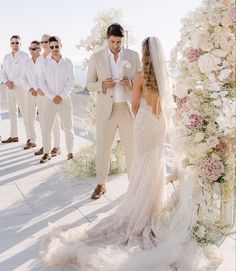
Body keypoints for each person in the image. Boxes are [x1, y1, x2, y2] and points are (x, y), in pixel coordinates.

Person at [40, 37, 219, 271]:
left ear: (145, 54)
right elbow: (168, 104)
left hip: (144, 122)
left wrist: (141, 112)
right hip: (160, 123)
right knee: (156, 162)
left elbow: (134, 104)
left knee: (142, 161)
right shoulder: (166, 77)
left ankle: (139, 206)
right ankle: (154, 205)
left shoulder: (141, 75)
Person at [87, 23, 141, 199]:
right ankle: (101, 184)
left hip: (126, 108)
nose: (116, 46)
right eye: (113, 41)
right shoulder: (96, 57)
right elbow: (89, 84)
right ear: (107, 39)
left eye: (119, 42)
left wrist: (131, 83)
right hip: (106, 111)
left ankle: (133, 186)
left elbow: (142, 81)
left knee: (131, 149)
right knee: (103, 148)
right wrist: (102, 84)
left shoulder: (133, 56)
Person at [38, 36, 74, 163]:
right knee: (46, 128)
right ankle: (47, 153)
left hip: (65, 100)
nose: (54, 49)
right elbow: (42, 83)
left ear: (61, 45)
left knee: (68, 128)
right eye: (51, 46)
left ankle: (70, 152)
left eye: (56, 46)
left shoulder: (68, 62)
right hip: (50, 100)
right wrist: (53, 96)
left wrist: (61, 96)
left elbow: (71, 82)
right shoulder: (44, 63)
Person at [34, 34, 61, 157]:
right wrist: (37, 88)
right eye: (42, 42)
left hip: (52, 95)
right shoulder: (39, 59)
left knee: (55, 122)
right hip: (41, 95)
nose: (44, 43)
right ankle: (46, 146)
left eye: (46, 41)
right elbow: (36, 76)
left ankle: (56, 146)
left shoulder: (56, 58)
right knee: (44, 122)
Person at [1, 35, 29, 144]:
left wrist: (14, 83)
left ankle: (30, 138)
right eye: (13, 43)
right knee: (12, 113)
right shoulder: (6, 57)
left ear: (20, 44)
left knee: (25, 112)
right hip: (9, 88)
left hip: (20, 88)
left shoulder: (24, 56)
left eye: (17, 43)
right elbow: (2, 72)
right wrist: (6, 82)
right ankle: (14, 136)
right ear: (10, 44)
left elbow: (25, 73)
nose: (15, 45)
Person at [22, 40, 41, 149]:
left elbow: (46, 78)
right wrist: (30, 89)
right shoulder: (26, 62)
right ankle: (32, 140)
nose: (31, 51)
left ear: (39, 49)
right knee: (30, 118)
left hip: (42, 94)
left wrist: (38, 89)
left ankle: (46, 145)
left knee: (44, 119)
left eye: (34, 49)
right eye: (30, 48)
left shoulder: (44, 61)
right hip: (30, 93)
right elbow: (23, 77)